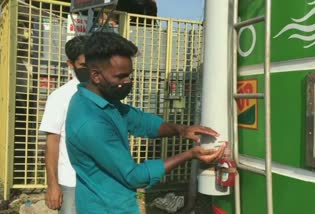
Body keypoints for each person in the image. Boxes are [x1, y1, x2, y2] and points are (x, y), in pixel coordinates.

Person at [65, 32, 225, 213]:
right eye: (120, 76)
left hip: (120, 204)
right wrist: (190, 155)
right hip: (106, 208)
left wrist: (181, 130)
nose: (128, 81)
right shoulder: (90, 122)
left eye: (129, 75)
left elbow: (142, 122)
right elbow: (134, 176)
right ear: (95, 75)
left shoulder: (104, 101)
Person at [39, 35, 89, 214]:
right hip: (71, 181)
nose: (90, 69)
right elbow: (52, 142)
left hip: (101, 184)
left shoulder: (105, 93)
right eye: (84, 65)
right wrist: (52, 185)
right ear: (70, 64)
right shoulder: (60, 97)